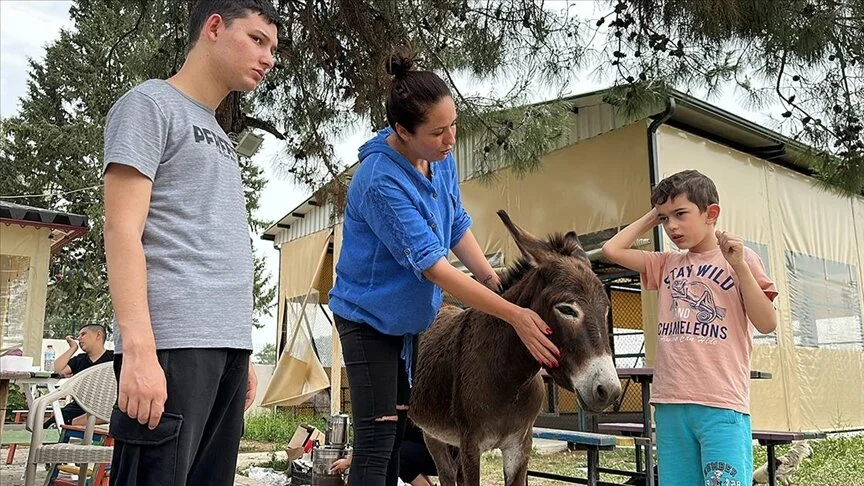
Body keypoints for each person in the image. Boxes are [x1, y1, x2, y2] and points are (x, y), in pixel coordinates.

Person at [327, 47, 560, 486]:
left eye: (453, 124)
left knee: (396, 438)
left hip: (408, 324)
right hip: (368, 323)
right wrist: (511, 312)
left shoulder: (440, 158)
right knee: (376, 444)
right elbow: (433, 266)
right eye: (438, 132)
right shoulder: (380, 180)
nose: (450, 138)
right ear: (402, 130)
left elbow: (455, 225)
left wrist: (495, 283)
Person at [101, 1, 278, 484]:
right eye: (258, 40)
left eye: (273, 48)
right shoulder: (150, 104)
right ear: (215, 28)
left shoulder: (221, 135)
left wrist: (238, 349)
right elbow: (121, 230)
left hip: (225, 350)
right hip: (171, 346)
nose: (269, 58)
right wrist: (137, 349)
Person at [602, 169, 778, 486]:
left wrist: (738, 266)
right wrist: (651, 216)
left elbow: (767, 322)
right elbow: (611, 251)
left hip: (721, 404)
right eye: (665, 218)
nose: (672, 226)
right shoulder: (667, 263)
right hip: (670, 404)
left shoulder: (741, 258)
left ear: (711, 213)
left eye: (680, 214)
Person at [330, 419, 457, 486]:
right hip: (444, 453)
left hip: (446, 458)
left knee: (396, 452)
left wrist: (349, 461)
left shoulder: (395, 407)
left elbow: (384, 441)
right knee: (402, 449)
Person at [43, 324, 114, 428]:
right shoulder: (79, 360)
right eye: (78, 335)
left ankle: (83, 421)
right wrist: (73, 348)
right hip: (79, 406)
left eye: (83, 334)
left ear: (98, 335)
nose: (79, 338)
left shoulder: (114, 357)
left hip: (105, 406)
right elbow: (56, 370)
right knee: (50, 426)